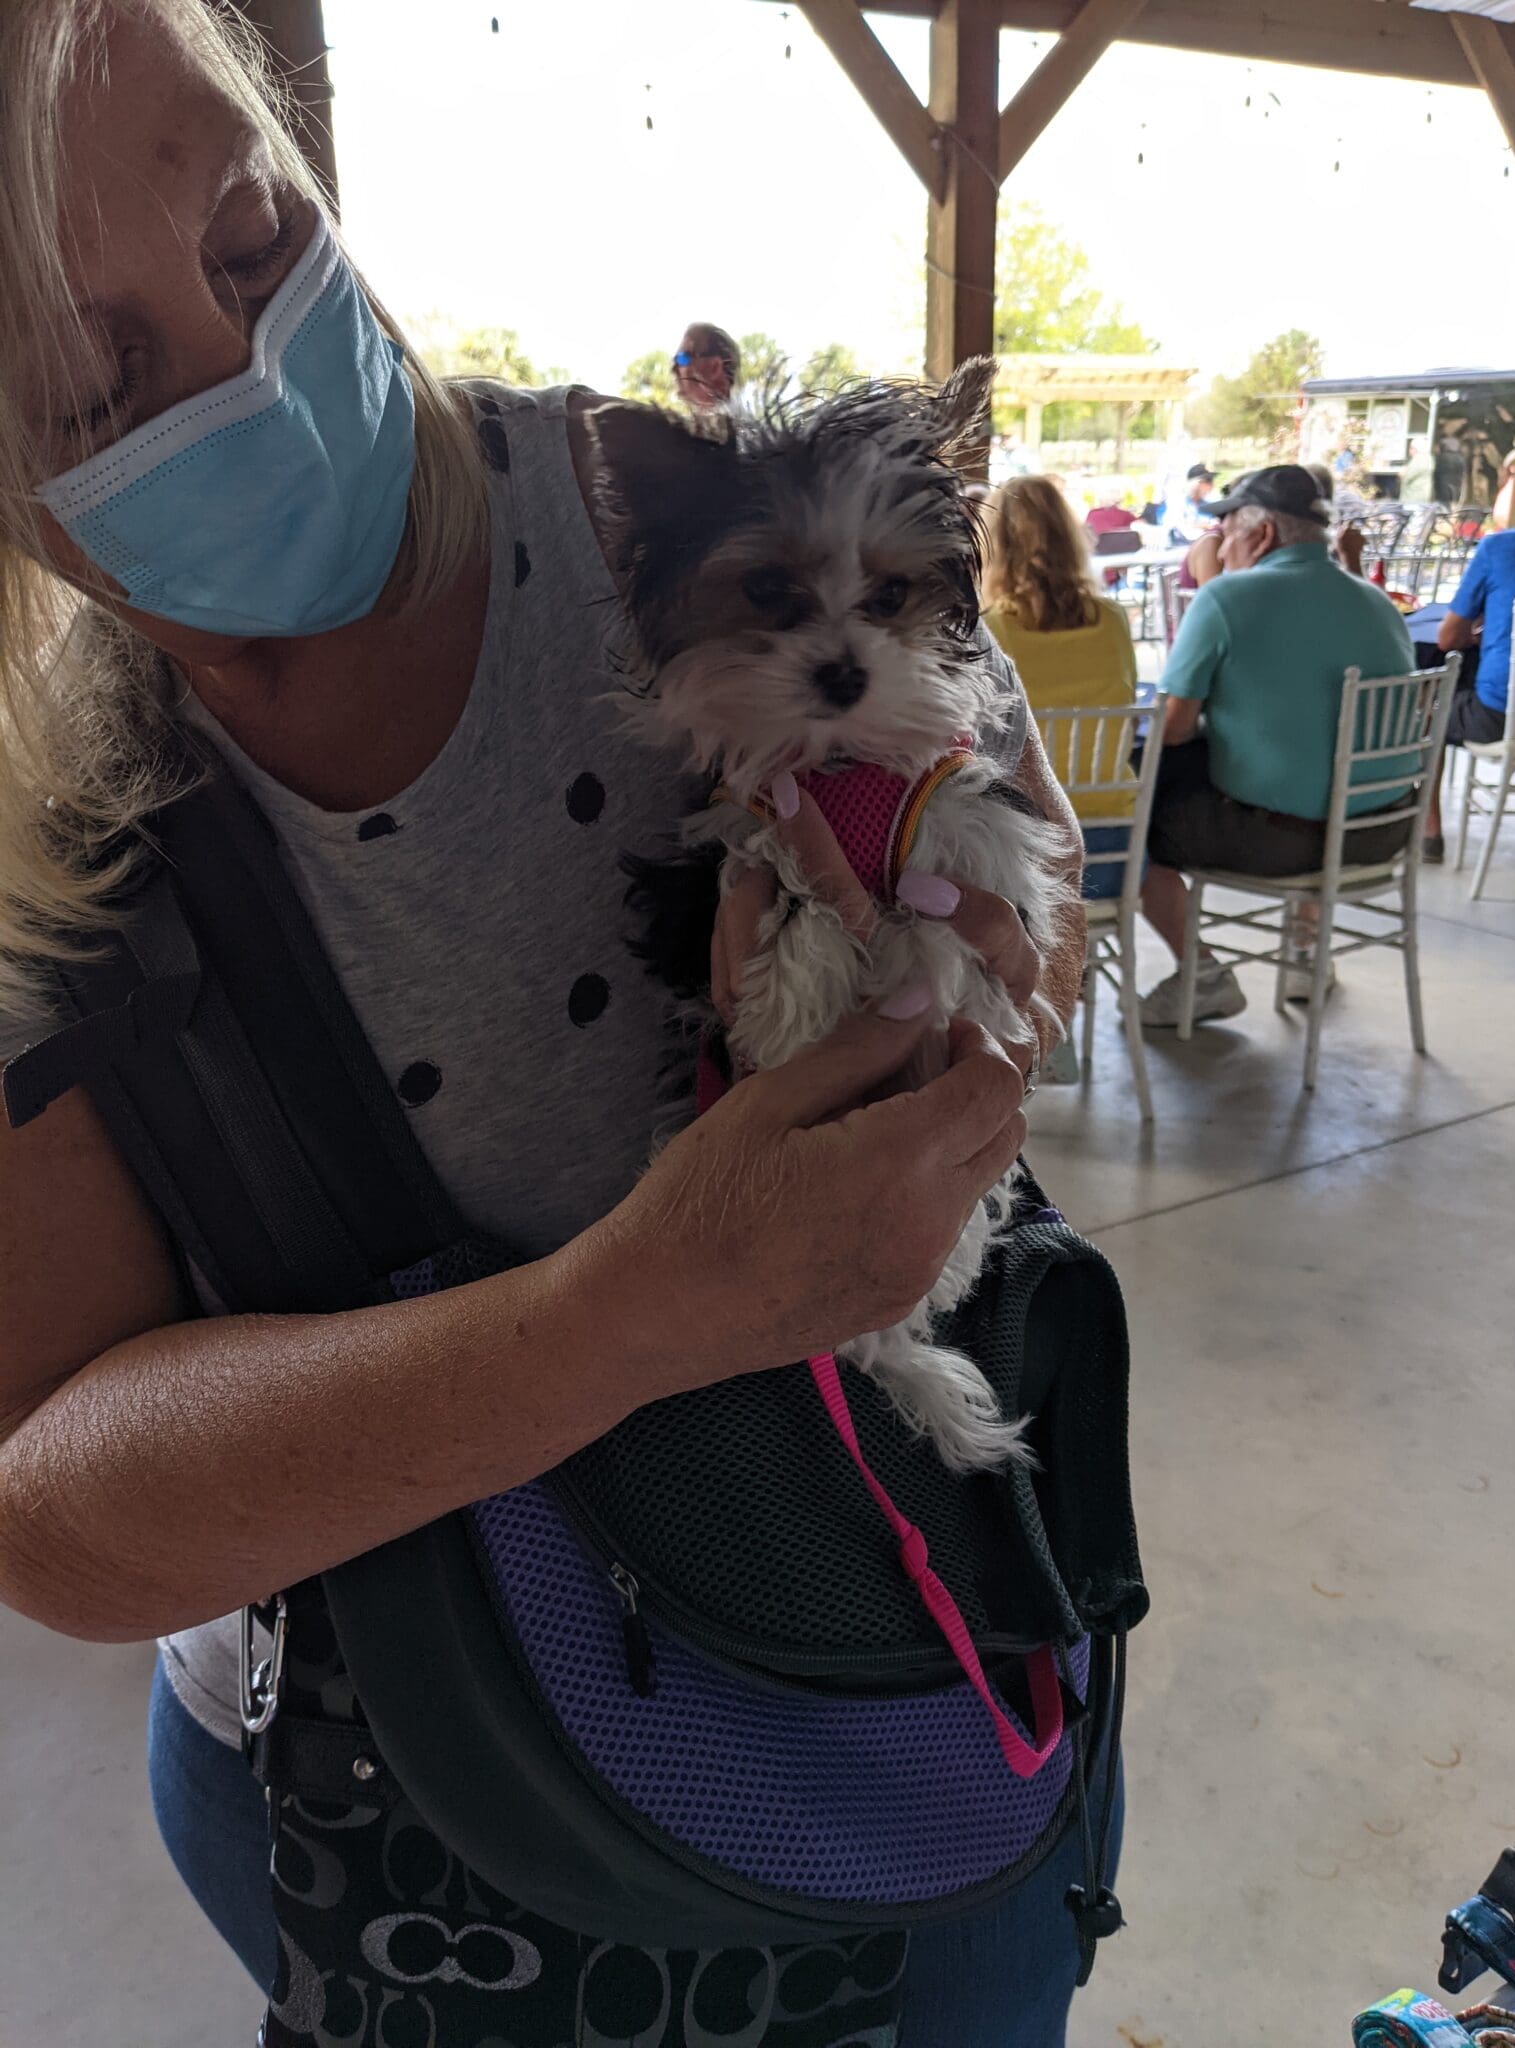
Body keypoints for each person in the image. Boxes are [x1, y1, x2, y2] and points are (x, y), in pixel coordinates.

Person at [0, 5, 1098, 2043]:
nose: (244, 372)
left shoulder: (681, 522)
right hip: (393, 1788)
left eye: (249, 241)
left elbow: (1033, 934)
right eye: (96, 382)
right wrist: (634, 1308)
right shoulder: (37, 824)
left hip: (887, 1693)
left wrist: (979, 995)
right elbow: (51, 1496)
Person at [1137, 467, 1417, 1025]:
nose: (1220, 545)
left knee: (1134, 817)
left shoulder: (1225, 598)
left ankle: (1203, 972)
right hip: (1383, 831)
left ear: (1261, 535)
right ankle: (1306, 953)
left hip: (1278, 842)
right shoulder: (1378, 604)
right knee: (1311, 768)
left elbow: (1170, 727)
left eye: (1228, 530)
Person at [982, 476, 1140, 1081]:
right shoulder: (1116, 621)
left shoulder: (989, 632)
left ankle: (1034, 1005)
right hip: (1118, 852)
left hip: (1023, 866)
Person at [1424, 469, 1515, 869]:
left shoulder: (1500, 548)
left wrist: (1487, 636)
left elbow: (1447, 639)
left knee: (1430, 707)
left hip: (1497, 718)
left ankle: (1429, 831)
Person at [671, 320, 737, 414]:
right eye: (675, 359)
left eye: (683, 358)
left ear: (715, 367)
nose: (674, 368)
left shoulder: (734, 425)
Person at [1164, 462, 1216, 544]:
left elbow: (1215, 525)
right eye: (1208, 481)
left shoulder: (1209, 504)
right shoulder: (1177, 502)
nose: (1212, 485)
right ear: (1196, 483)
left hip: (1204, 546)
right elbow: (1178, 528)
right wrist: (1203, 526)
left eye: (1211, 481)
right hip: (1179, 549)